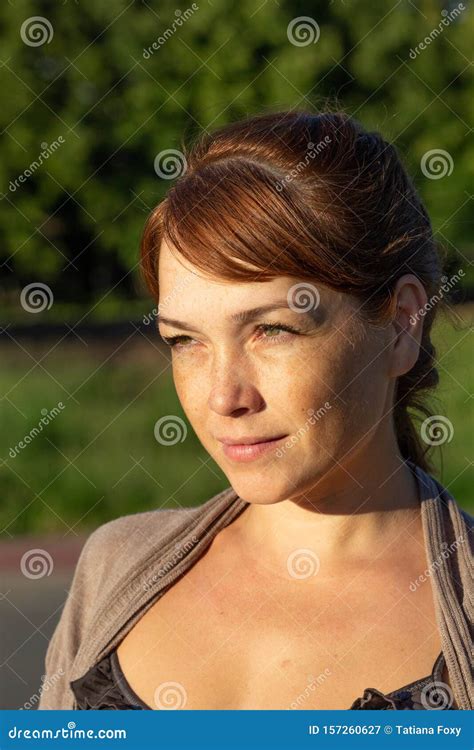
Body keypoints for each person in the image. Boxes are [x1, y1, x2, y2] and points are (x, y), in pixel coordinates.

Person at [38, 109, 473, 711]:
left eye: (272, 329)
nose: (224, 397)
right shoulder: (115, 569)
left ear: (401, 324)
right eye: (185, 341)